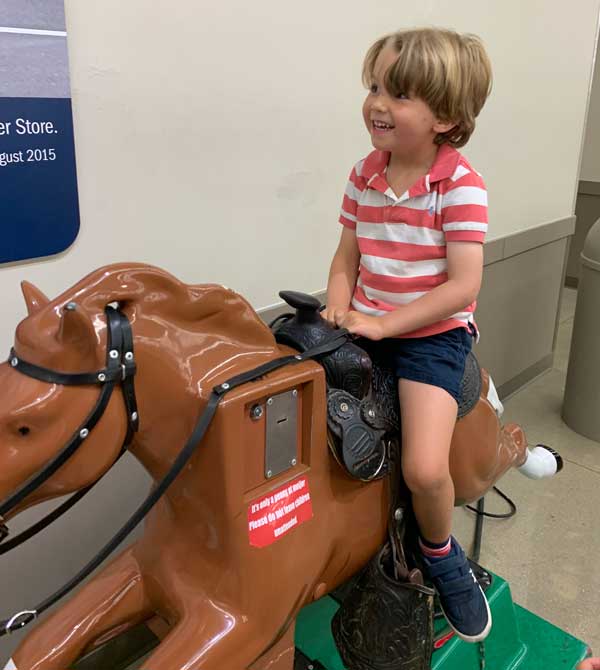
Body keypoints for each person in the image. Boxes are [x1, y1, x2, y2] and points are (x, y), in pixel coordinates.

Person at [323, 27, 493, 643]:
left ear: (445, 116)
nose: (377, 103)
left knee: (424, 467)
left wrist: (383, 324)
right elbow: (345, 259)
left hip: (430, 337)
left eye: (398, 94)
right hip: (365, 322)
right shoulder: (364, 174)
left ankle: (441, 552)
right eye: (374, 87)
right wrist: (339, 309)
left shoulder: (460, 185)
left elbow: (462, 286)